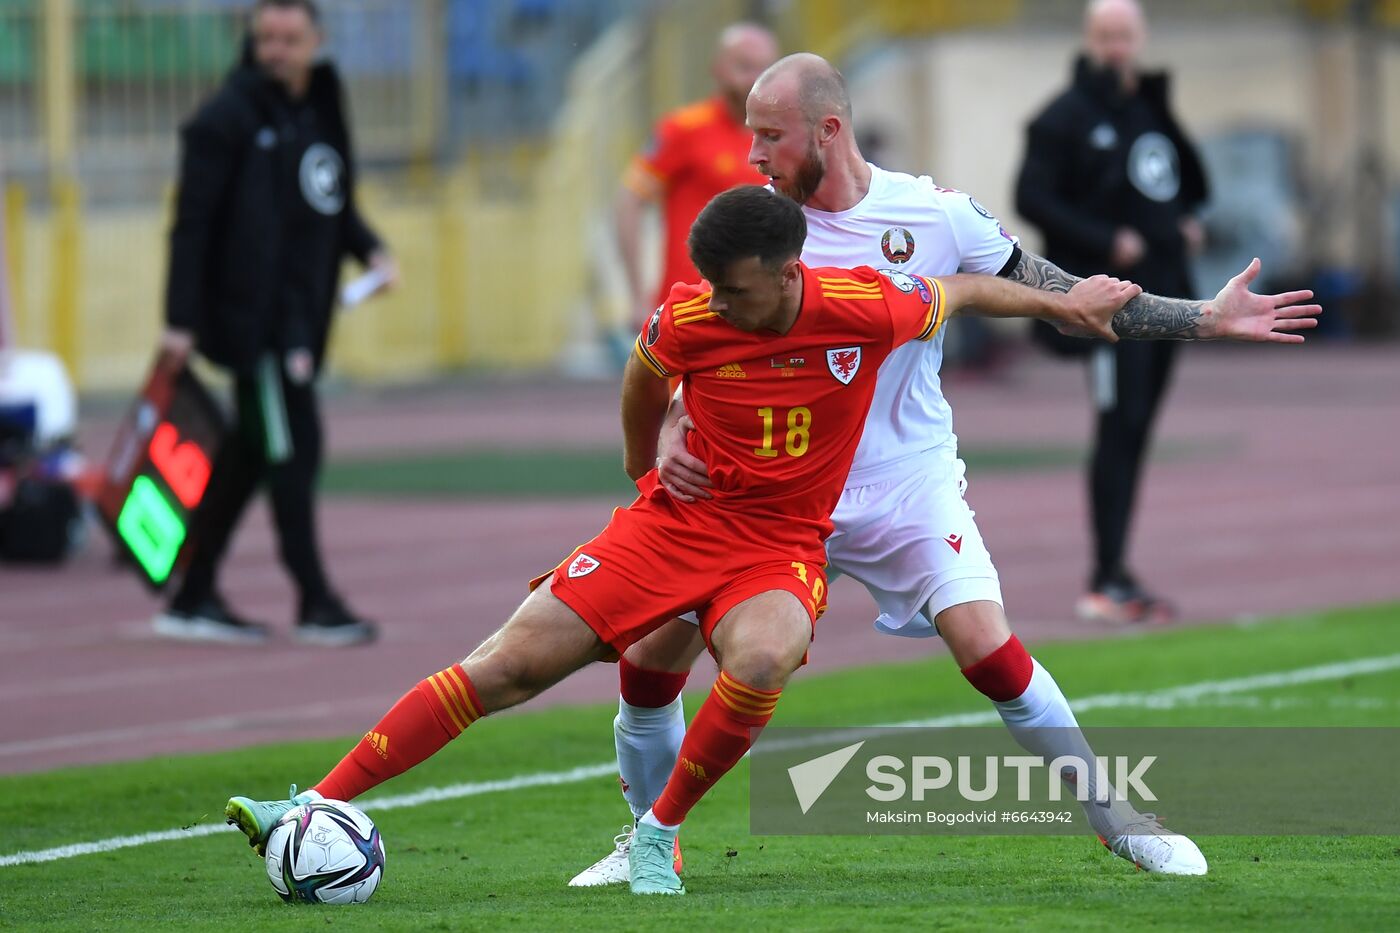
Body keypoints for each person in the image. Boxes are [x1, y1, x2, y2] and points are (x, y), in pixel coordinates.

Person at [224, 185, 1144, 897]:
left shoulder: (865, 305)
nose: (721, 307)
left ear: (789, 273)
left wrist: (1068, 307)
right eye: (713, 289)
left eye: (737, 291)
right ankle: (315, 802)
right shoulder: (693, 316)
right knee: (508, 664)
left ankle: (659, 834)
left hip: (777, 542)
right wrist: (644, 466)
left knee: (766, 654)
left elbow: (968, 287)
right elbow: (642, 372)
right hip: (672, 524)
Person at [568, 52, 1317, 886]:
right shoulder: (754, 225)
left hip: (900, 481)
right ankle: (644, 837)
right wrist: (672, 419)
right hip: (767, 490)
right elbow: (697, 336)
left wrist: (1204, 318)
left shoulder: (934, 214)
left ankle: (1120, 821)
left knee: (987, 646)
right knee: (650, 658)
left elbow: (1064, 294)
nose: (753, 157)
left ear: (828, 130)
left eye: (768, 136)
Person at [153, 0, 396, 646]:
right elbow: (191, 225)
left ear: (316, 40)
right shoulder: (225, 118)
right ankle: (314, 598)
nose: (276, 50)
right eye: (266, 37)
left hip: (303, 317)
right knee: (294, 445)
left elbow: (333, 198)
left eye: (290, 38)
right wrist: (179, 321)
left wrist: (369, 248)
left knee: (251, 452)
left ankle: (193, 591)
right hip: (251, 322)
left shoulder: (320, 106)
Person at [1016, 0, 1209, 623]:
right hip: (1110, 312)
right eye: (1106, 35)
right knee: (1117, 432)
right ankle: (1105, 578)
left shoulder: (1148, 108)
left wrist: (1184, 223)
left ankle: (1118, 571)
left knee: (1138, 430)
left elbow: (1183, 182)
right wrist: (1106, 241)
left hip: (1170, 298)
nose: (1117, 46)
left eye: (1125, 34)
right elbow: (1031, 196)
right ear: (1089, 39)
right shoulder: (1062, 116)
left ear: (1140, 37)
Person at [615, 23, 779, 330]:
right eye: (744, 66)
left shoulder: (779, 137)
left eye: (765, 69)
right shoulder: (684, 129)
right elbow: (629, 202)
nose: (756, 79)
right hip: (690, 311)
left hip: (760, 314)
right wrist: (637, 295)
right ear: (717, 68)